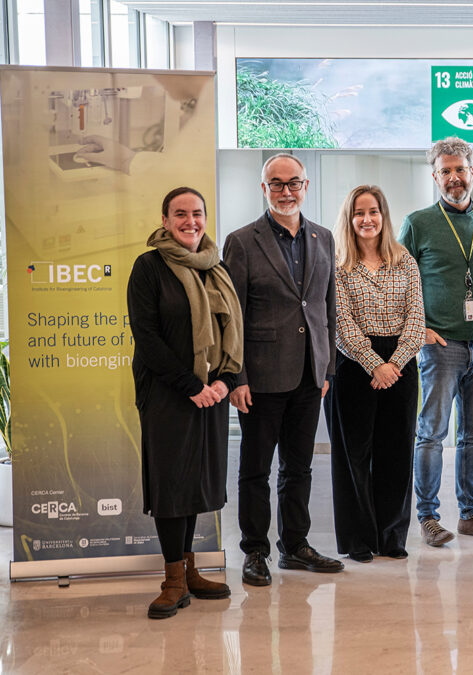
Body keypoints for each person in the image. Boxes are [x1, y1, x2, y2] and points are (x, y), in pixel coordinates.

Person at [224, 153, 344, 585]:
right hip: (259, 377)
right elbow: (231, 315)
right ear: (264, 189)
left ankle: (295, 546)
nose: (286, 191)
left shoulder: (324, 237)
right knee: (255, 470)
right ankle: (255, 551)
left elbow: (327, 308)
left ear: (306, 186)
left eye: (293, 182)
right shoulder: (241, 241)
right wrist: (236, 377)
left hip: (310, 374)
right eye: (277, 184)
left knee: (300, 467)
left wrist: (327, 368)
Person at [128, 186, 243, 619]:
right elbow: (147, 337)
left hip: (212, 394)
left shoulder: (217, 267)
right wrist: (190, 385)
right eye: (180, 214)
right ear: (165, 220)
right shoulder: (149, 267)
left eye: (197, 213)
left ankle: (191, 572)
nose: (189, 221)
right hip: (168, 393)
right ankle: (172, 580)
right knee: (171, 484)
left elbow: (233, 330)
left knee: (195, 482)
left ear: (206, 218)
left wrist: (225, 380)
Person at [399, 137, 473, 547]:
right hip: (439, 347)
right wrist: (419, 329)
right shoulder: (418, 222)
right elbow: (400, 281)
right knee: (431, 434)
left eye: (460, 169)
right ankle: (428, 517)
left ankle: (471, 514)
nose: (454, 178)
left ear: (472, 172)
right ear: (435, 176)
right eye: (445, 171)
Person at [325, 185, 425, 562]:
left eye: (373, 212)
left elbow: (417, 320)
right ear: (349, 219)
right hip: (353, 365)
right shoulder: (337, 264)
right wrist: (374, 364)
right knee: (353, 455)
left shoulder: (406, 262)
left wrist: (394, 364)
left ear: (384, 216)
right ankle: (358, 540)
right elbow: (341, 324)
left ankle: (392, 535)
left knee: (397, 451)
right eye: (359, 212)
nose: (367, 219)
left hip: (400, 364)